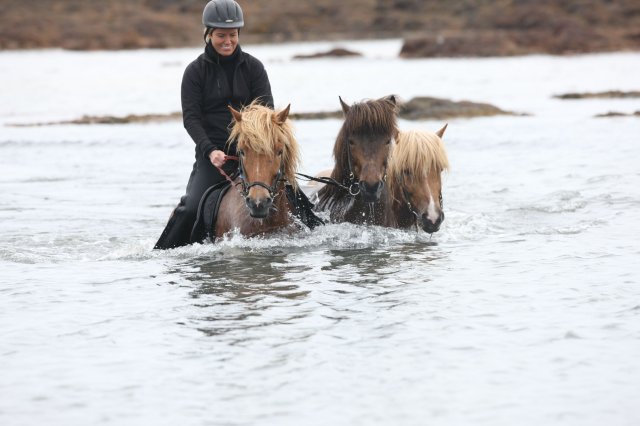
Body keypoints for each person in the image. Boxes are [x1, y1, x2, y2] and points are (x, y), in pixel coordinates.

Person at [155, 0, 273, 249]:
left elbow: (267, 114)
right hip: (214, 156)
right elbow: (191, 119)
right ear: (208, 34)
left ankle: (326, 237)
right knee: (191, 208)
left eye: (233, 34)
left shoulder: (254, 68)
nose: (227, 41)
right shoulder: (194, 72)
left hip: (254, 156)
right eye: (221, 35)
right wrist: (210, 150)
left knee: (297, 198)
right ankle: (163, 254)